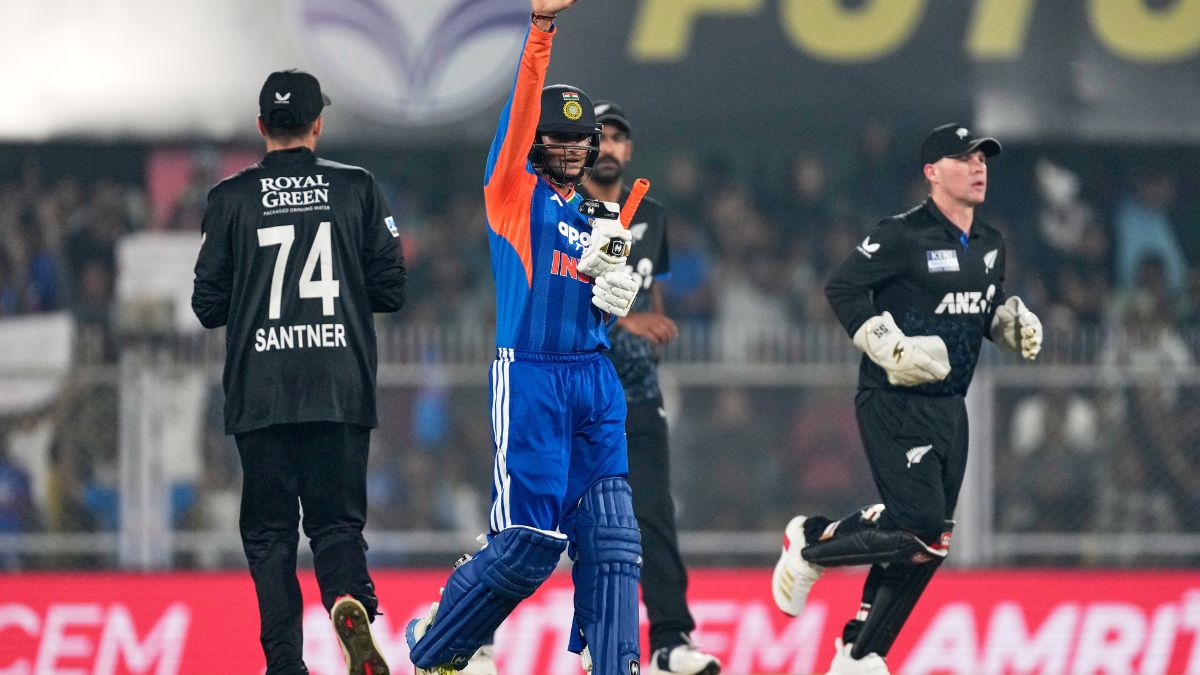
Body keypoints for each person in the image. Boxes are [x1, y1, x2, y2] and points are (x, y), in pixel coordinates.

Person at [404, 2, 644, 675]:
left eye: (580, 141)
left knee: (615, 540)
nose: (570, 150)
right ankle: (435, 645)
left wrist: (615, 300)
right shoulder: (512, 191)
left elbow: (593, 301)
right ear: (533, 143)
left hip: (594, 381)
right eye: (556, 139)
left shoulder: (591, 218)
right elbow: (519, 112)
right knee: (528, 547)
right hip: (533, 379)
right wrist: (540, 31)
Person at [771, 123, 1043, 673]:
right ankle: (809, 544)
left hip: (951, 406)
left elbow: (980, 307)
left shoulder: (991, 242)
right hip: (892, 399)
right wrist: (883, 341)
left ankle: (861, 652)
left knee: (931, 543)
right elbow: (843, 287)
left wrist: (1006, 323)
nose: (978, 166)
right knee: (916, 527)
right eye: (964, 158)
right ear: (932, 172)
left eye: (982, 158)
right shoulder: (901, 234)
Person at [192, 69, 404, 675]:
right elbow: (391, 289)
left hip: (260, 393)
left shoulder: (229, 198)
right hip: (339, 383)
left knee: (270, 535)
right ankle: (349, 600)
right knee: (337, 524)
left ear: (262, 127)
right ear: (318, 124)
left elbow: (207, 307)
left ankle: (285, 663)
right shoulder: (357, 188)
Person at [583, 100, 720, 675]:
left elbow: (650, 295)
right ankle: (474, 630)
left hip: (637, 393)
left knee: (654, 519)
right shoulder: (564, 211)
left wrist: (652, 327)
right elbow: (560, 303)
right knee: (553, 524)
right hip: (576, 392)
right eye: (601, 137)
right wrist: (626, 324)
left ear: (630, 150)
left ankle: (670, 641)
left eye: (619, 138)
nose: (610, 147)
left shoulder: (651, 216)